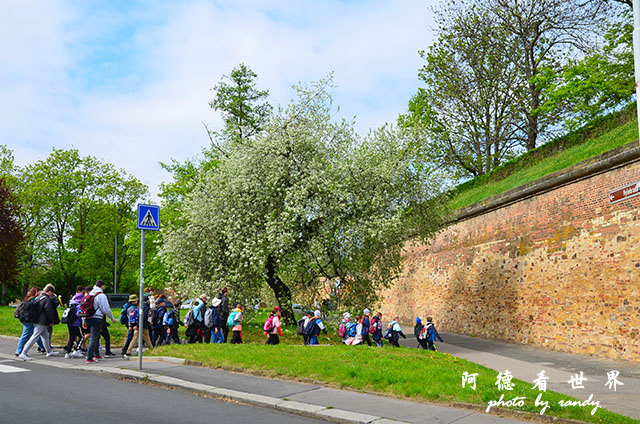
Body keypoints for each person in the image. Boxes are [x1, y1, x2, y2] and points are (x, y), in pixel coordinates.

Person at [18, 284, 60, 360]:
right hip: (42, 321)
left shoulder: (39, 297)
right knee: (35, 336)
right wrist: (51, 321)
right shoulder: (47, 299)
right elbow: (48, 311)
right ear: (50, 292)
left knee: (45, 336)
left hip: (35, 319)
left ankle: (49, 351)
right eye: (52, 293)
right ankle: (23, 353)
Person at [83, 280, 116, 363]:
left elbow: (84, 307)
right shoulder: (101, 295)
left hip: (87, 318)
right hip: (96, 318)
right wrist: (112, 318)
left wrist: (83, 320)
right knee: (94, 338)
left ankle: (96, 354)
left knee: (96, 336)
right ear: (102, 286)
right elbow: (105, 309)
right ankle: (89, 357)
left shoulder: (90, 294)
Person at [15, 286, 45, 357]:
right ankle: (19, 351)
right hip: (29, 319)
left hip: (24, 318)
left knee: (35, 333)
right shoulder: (35, 299)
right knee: (26, 335)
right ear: (36, 292)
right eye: (39, 291)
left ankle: (43, 347)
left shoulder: (27, 298)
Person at [64, 286, 84, 358]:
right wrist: (82, 321)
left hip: (69, 323)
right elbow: (79, 315)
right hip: (76, 323)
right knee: (82, 336)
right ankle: (77, 350)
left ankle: (68, 352)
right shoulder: (79, 306)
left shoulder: (71, 304)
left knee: (72, 337)